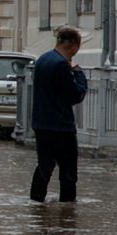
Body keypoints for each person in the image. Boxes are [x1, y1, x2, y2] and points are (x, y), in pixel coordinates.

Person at [31, 25, 88, 203]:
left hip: (41, 124)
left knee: (44, 166)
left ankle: (36, 201)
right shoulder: (62, 65)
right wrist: (78, 73)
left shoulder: (42, 60)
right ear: (74, 46)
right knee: (68, 171)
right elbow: (75, 95)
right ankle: (67, 209)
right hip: (61, 127)